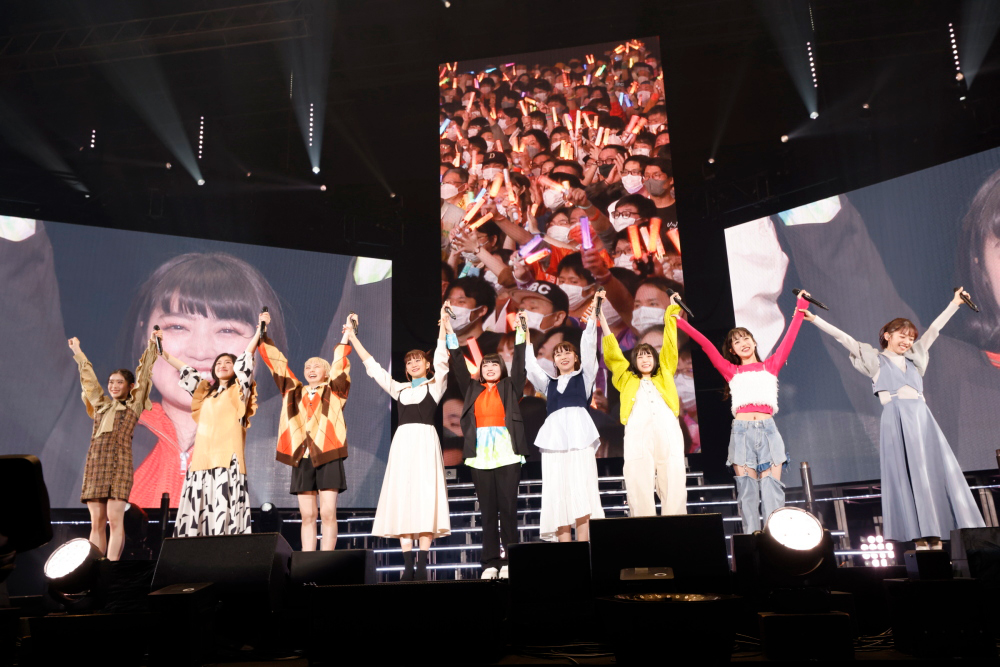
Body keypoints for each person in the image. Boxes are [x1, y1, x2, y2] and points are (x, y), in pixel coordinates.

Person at [803, 289, 986, 548]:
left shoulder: (915, 359)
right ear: (887, 336)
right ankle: (920, 537)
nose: (908, 341)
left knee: (930, 474)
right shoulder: (875, 361)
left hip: (922, 420)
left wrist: (955, 303)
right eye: (902, 336)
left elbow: (934, 329)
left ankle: (936, 534)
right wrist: (814, 319)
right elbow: (844, 338)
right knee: (907, 476)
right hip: (896, 420)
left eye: (911, 338)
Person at [674, 293, 810, 534]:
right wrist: (679, 320)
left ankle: (775, 538)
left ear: (754, 342)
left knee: (772, 488)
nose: (743, 342)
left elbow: (790, 337)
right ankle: (752, 540)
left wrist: (801, 307)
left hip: (768, 431)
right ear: (732, 350)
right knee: (747, 491)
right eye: (737, 341)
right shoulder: (731, 370)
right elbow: (705, 344)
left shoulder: (771, 365)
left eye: (746, 338)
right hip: (742, 433)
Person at [351, 304, 454, 580]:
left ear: (426, 364)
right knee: (404, 498)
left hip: (425, 443)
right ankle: (408, 566)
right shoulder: (399, 389)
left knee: (425, 497)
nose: (413, 364)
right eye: (409, 362)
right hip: (402, 445)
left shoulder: (435, 385)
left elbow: (442, 357)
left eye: (418, 360)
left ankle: (422, 565)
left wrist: (443, 326)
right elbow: (373, 368)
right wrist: (352, 337)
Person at [256, 311, 353, 551]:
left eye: (317, 366)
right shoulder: (293, 391)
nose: (311, 369)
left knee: (328, 512)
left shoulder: (335, 391)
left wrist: (346, 337)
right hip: (302, 457)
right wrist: (263, 332)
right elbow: (277, 364)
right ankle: (308, 558)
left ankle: (326, 558)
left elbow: (340, 365)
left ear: (326, 372)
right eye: (308, 366)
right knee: (307, 515)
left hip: (328, 455)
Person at [161, 312, 264, 537]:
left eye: (228, 362)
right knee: (196, 518)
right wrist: (162, 352)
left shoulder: (239, 391)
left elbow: (247, 358)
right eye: (219, 363)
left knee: (223, 517)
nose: (222, 365)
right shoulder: (205, 394)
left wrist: (259, 331)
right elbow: (185, 370)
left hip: (227, 462)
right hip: (201, 462)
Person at [450, 310, 530, 579]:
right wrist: (450, 334)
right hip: (480, 454)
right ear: (481, 371)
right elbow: (458, 364)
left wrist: (521, 333)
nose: (490, 367)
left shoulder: (510, 387)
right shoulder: (472, 389)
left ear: (501, 368)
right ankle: (490, 563)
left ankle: (509, 562)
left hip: (507, 452)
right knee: (487, 512)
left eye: (495, 364)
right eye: (486, 365)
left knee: (508, 510)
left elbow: (519, 363)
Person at [69, 331, 158, 559]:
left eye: (120, 382)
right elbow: (89, 381)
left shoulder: (132, 406)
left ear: (130, 386)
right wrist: (77, 351)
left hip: (119, 466)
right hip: (95, 466)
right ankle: (95, 566)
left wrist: (151, 346)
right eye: (111, 382)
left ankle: (111, 567)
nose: (114, 386)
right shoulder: (101, 406)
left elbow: (145, 376)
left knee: (115, 520)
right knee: (96, 522)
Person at [525, 290, 605, 541]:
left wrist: (594, 313)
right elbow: (530, 365)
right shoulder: (548, 383)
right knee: (557, 489)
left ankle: (584, 547)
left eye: (567, 351)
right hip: (554, 441)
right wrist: (524, 334)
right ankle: (565, 551)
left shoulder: (585, 376)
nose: (562, 355)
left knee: (582, 487)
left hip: (580, 437)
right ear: (554, 361)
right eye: (558, 353)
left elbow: (589, 345)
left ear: (576, 357)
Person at [599, 295, 686, 517]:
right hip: (638, 432)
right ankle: (643, 522)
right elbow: (613, 355)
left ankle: (676, 523)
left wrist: (671, 310)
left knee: (673, 476)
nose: (645, 359)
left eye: (649, 355)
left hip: (667, 429)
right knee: (637, 478)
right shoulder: (626, 378)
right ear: (634, 361)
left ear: (656, 359)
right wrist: (602, 318)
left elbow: (670, 343)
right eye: (640, 356)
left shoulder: (665, 372)